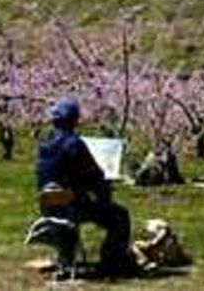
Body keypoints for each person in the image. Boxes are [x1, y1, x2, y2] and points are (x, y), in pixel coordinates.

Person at [36, 96, 137, 277]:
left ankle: (66, 258)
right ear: (74, 120)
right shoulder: (74, 144)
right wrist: (104, 192)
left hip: (49, 208)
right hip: (73, 208)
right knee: (120, 216)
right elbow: (95, 176)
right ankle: (112, 262)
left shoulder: (44, 145)